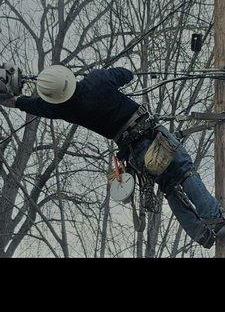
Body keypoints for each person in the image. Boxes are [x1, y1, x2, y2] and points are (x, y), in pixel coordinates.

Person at [1, 64, 225, 249]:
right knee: (185, 172)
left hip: (134, 154)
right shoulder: (97, 81)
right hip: (149, 134)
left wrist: (11, 100)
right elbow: (126, 74)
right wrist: (103, 74)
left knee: (169, 187)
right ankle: (216, 220)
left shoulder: (63, 108)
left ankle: (200, 233)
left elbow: (36, 106)